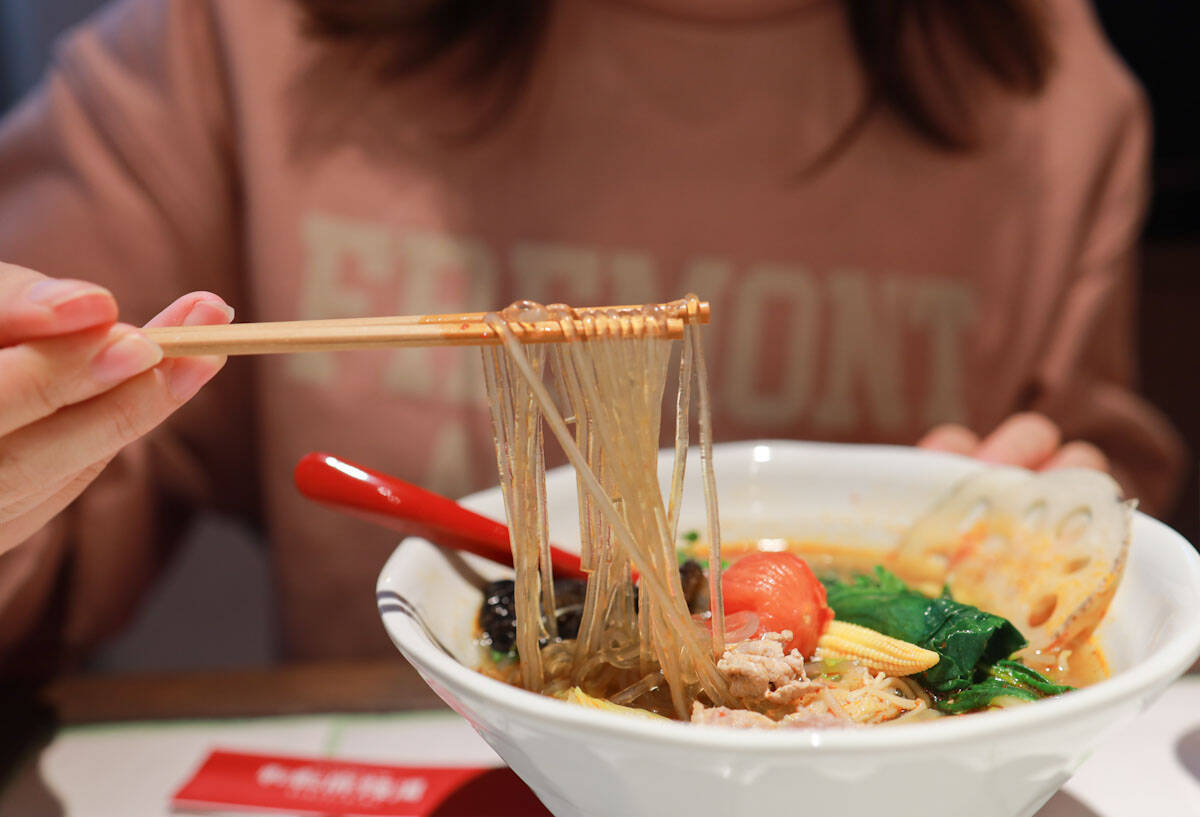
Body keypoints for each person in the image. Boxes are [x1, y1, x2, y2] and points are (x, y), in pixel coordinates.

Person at [0, 0, 1184, 674]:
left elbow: (1094, 471)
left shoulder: (1044, 87)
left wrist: (1052, 501)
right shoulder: (243, 39)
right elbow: (53, 561)